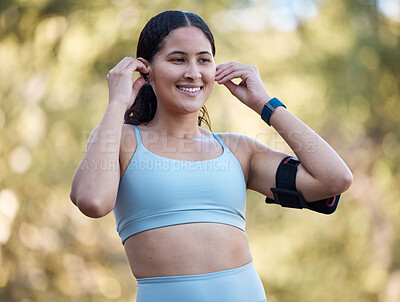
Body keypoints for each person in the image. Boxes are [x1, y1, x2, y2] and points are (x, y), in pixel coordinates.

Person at [70, 10, 353, 302]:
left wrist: (265, 104)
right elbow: (93, 201)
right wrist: (117, 103)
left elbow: (335, 178)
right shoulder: (120, 139)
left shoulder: (238, 151)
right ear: (145, 70)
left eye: (203, 60)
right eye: (178, 59)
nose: (193, 72)